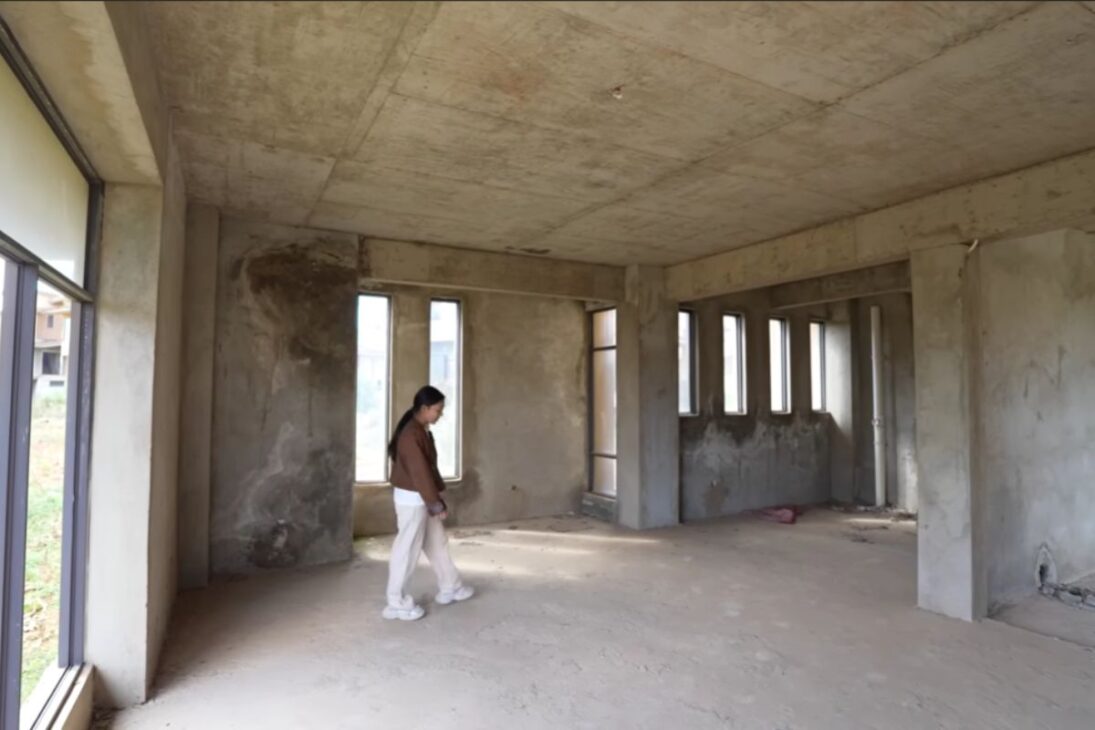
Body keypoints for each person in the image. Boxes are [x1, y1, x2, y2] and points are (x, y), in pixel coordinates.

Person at [383, 385, 474, 621]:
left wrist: (434, 500)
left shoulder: (419, 430)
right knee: (407, 550)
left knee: (436, 542)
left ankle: (451, 586)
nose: (440, 414)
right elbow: (420, 473)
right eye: (438, 410)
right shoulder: (410, 435)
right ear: (424, 408)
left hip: (421, 497)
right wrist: (435, 503)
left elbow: (426, 471)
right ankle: (396, 602)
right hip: (413, 501)